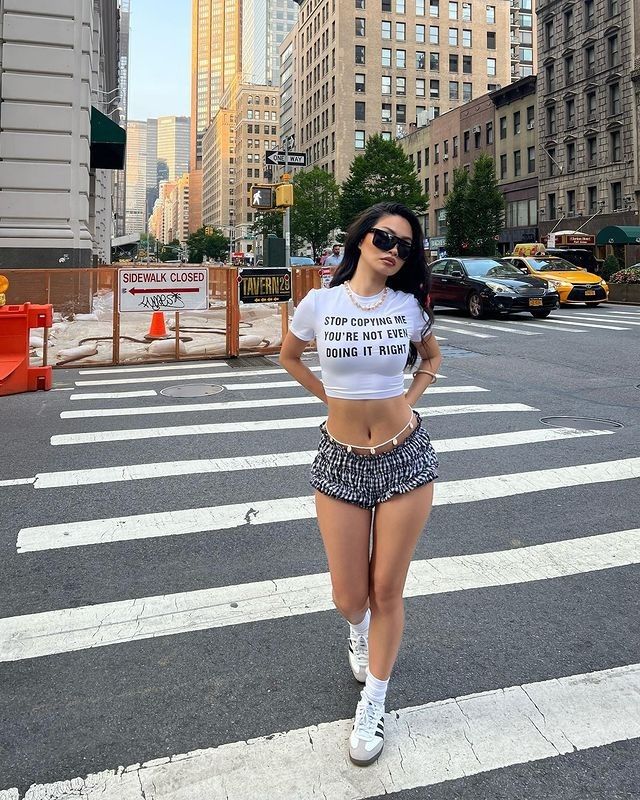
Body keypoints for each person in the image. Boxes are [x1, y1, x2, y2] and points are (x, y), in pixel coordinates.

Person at [279, 202, 441, 767]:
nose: (393, 249)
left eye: (404, 245)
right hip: (340, 459)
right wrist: (330, 400)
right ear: (362, 239)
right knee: (351, 597)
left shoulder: (407, 308)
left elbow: (431, 360)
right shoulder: (319, 304)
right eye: (384, 237)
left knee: (387, 589)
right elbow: (289, 356)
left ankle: (374, 698)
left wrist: (408, 403)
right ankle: (359, 629)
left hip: (404, 458)